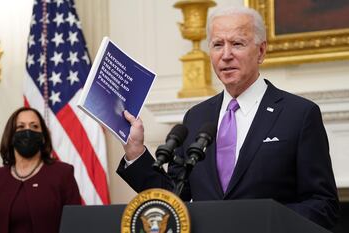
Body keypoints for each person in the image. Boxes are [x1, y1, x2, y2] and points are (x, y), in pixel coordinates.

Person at [116, 6, 339, 229]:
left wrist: (260, 220)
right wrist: (135, 152)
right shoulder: (196, 117)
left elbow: (323, 206)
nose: (226, 55)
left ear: (261, 51)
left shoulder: (298, 115)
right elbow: (174, 199)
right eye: (217, 45)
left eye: (237, 44)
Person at [0, 107, 81, 233]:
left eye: (34, 126)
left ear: (43, 136)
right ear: (10, 135)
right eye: (20, 127)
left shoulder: (63, 174)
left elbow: (75, 227)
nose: (28, 131)